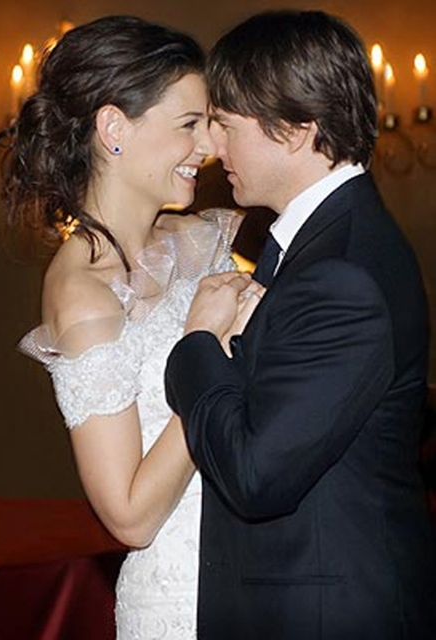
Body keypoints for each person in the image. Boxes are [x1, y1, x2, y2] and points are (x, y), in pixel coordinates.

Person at [165, 10, 436, 640]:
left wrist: (198, 342)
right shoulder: (317, 242)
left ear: (294, 130)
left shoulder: (343, 271)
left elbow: (256, 476)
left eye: (226, 125)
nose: (213, 148)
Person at [0, 15, 259, 639]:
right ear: (114, 128)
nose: (210, 146)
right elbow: (130, 517)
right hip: (181, 601)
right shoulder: (85, 295)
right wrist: (208, 353)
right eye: (189, 124)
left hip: (263, 571)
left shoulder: (201, 240)